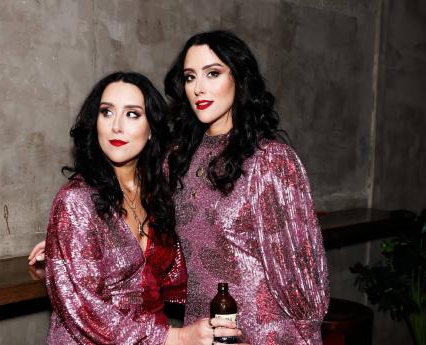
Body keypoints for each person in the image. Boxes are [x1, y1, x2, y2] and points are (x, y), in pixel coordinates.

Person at [37, 71, 242, 345]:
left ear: (150, 130)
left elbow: (174, 276)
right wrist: (174, 338)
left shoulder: (157, 193)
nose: (116, 127)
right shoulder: (76, 200)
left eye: (132, 114)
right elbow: (84, 310)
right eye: (106, 112)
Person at [163, 30, 329, 344]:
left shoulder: (270, 160)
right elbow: (133, 205)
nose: (199, 88)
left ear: (238, 78)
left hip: (266, 333)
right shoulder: (177, 159)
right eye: (189, 77)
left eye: (213, 73)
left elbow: (302, 271)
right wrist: (76, 237)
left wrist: (308, 337)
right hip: (201, 330)